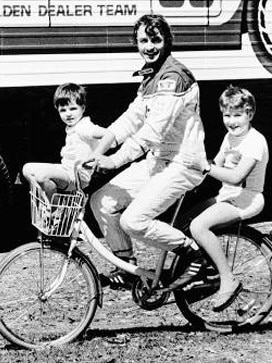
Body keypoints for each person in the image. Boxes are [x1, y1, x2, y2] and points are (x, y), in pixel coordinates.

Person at [86, 14, 209, 289]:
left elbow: (153, 131)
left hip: (183, 164)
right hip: (158, 162)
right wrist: (97, 151)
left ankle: (195, 255)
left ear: (167, 41)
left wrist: (114, 160)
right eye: (143, 40)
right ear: (136, 43)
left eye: (155, 39)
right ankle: (127, 265)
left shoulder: (174, 76)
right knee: (102, 201)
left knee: (133, 220)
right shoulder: (150, 77)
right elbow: (130, 120)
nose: (149, 46)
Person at [184, 85, 269, 312]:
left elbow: (235, 176)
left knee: (198, 226)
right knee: (184, 221)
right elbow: (216, 163)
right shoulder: (230, 137)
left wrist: (205, 168)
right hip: (227, 197)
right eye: (227, 115)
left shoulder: (254, 141)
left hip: (246, 199)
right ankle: (203, 271)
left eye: (238, 115)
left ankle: (227, 278)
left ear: (250, 114)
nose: (232, 121)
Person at [23, 82, 109, 201]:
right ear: (57, 110)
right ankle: (49, 199)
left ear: (83, 108)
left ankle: (55, 210)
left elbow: (108, 135)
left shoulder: (83, 127)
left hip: (76, 177)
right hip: (66, 170)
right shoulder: (72, 127)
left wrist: (96, 155)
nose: (68, 114)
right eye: (63, 110)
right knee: (27, 168)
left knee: (41, 175)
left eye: (73, 109)